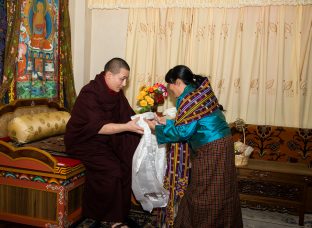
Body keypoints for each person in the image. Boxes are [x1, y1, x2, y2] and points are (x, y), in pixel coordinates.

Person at [145, 65, 243, 227]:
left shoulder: (188, 98)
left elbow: (183, 132)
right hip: (222, 144)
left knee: (204, 193)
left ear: (177, 82)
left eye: (170, 86)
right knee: (221, 190)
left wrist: (156, 127)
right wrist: (167, 121)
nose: (170, 91)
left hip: (212, 149)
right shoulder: (199, 92)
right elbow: (195, 122)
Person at [64, 57, 144, 228]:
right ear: (109, 75)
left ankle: (120, 213)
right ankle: (108, 218)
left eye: (126, 80)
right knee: (112, 169)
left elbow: (128, 115)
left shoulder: (115, 93)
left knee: (127, 157)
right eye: (122, 79)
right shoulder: (90, 93)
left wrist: (148, 122)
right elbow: (99, 127)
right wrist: (127, 127)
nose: (124, 83)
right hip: (83, 141)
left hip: (104, 139)